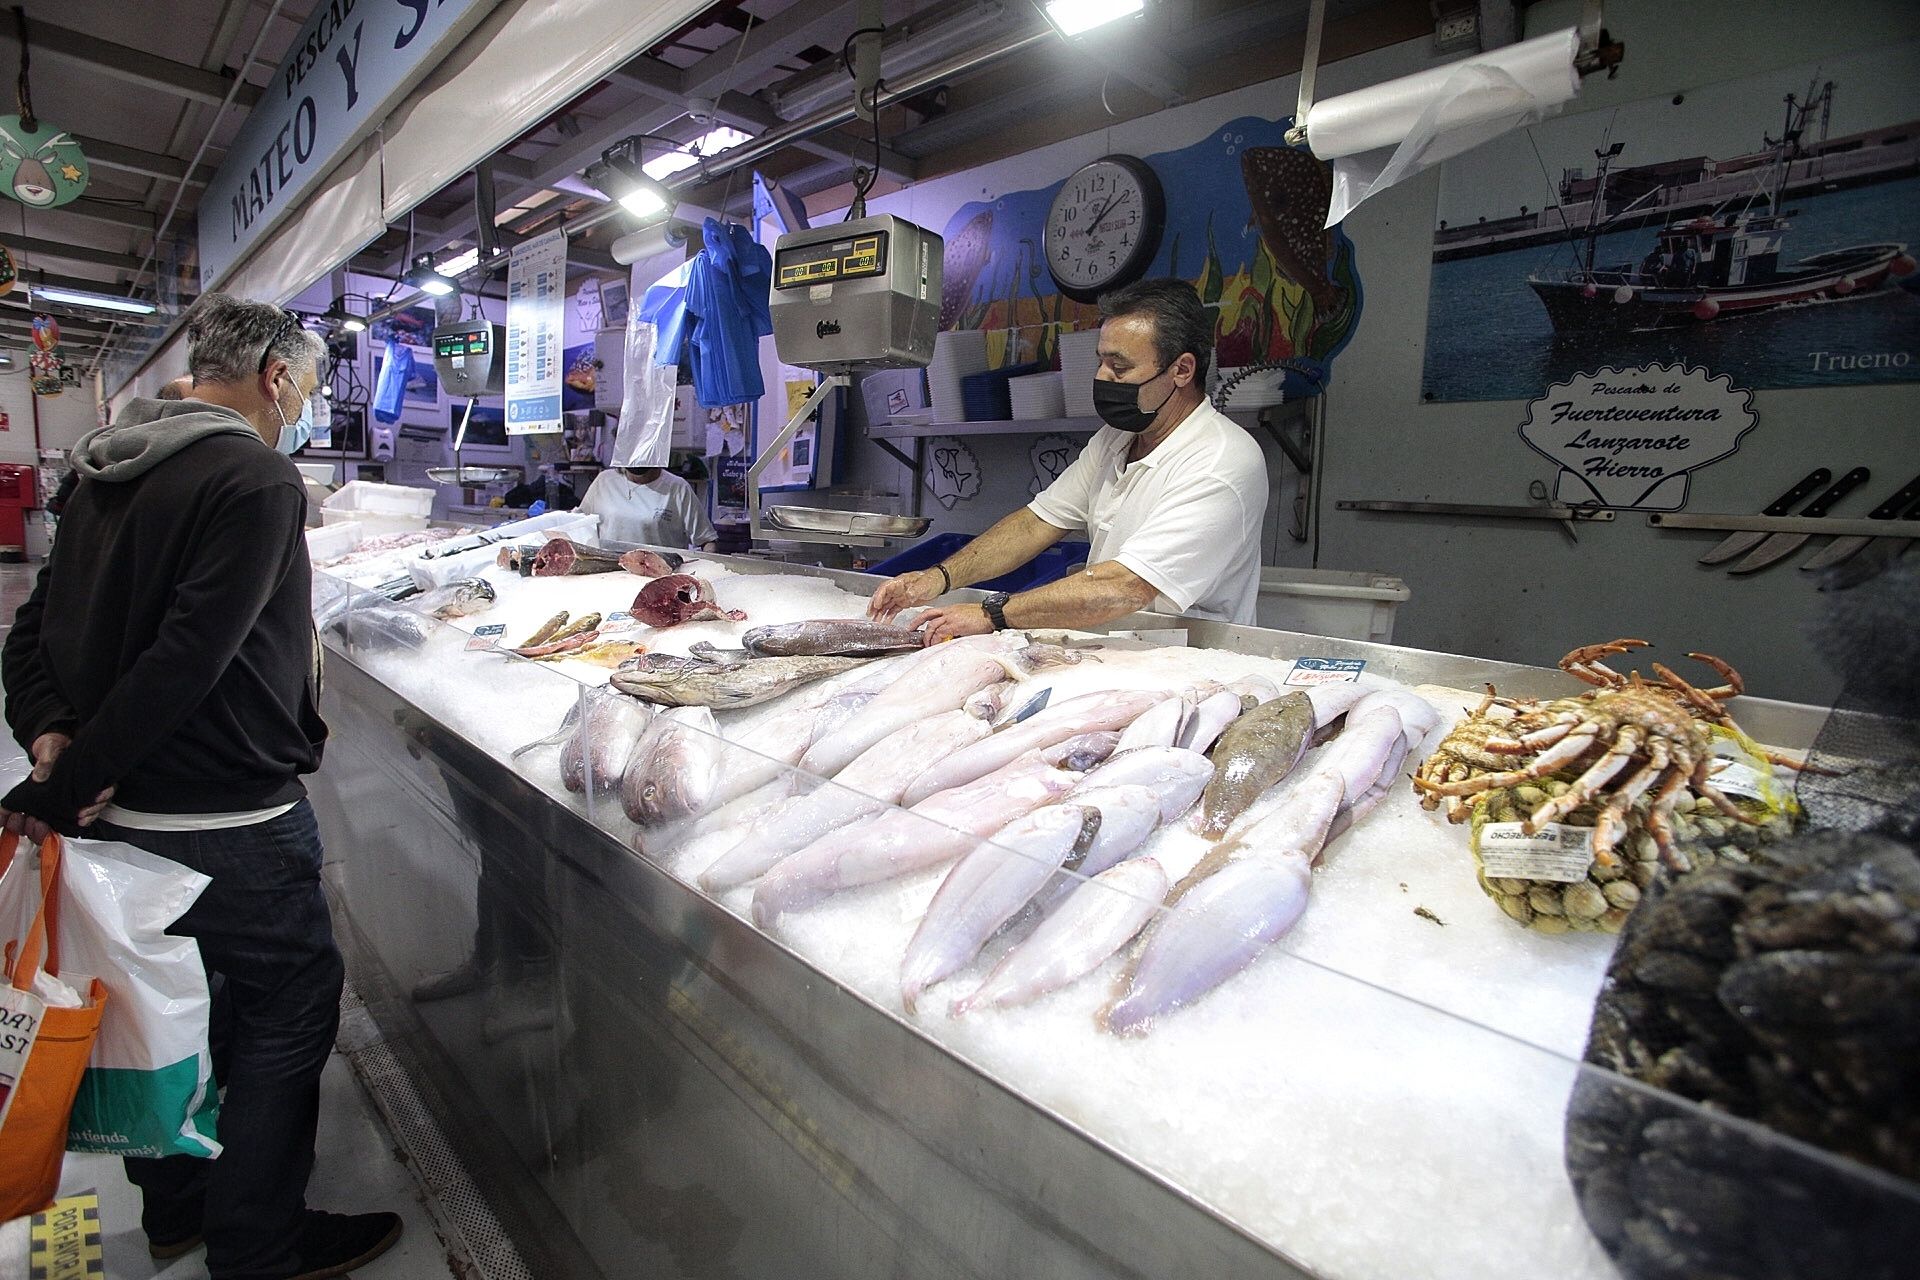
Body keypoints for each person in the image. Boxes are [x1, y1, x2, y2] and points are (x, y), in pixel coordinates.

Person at [0, 295, 402, 1280]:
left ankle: (177, 1204)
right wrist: (70, 777)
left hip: (114, 821)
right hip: (233, 821)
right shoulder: (256, 479)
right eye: (305, 383)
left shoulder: (103, 469)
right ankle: (259, 1245)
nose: (303, 403)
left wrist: (55, 746)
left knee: (162, 1004)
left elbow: (29, 635)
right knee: (288, 1004)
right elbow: (190, 659)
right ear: (273, 374)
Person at [869, 278, 1268, 640]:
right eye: (1101, 361)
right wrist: (936, 578)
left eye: (1119, 366)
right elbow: (1036, 523)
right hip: (1111, 651)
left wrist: (992, 614)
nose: (1102, 377)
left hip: (1190, 667)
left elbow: (1125, 586)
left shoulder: (1221, 461)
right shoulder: (1117, 438)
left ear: (1182, 369)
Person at [577, 463, 718, 550]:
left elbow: (707, 540)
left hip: (660, 579)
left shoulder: (678, 487)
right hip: (609, 575)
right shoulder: (604, 481)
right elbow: (578, 524)